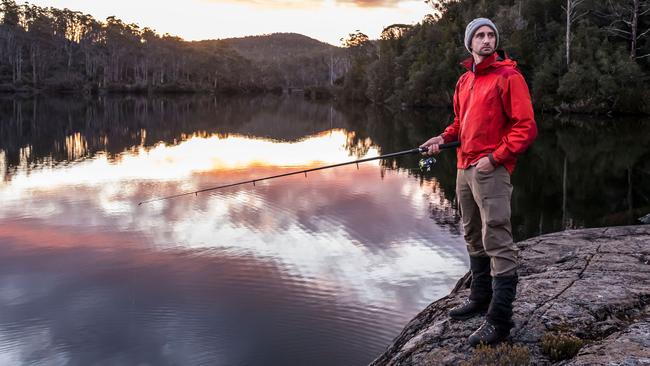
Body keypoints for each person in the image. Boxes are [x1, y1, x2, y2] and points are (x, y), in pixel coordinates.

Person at [420, 17, 537, 346]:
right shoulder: (464, 81)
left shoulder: (509, 77)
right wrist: (441, 139)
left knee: (497, 237)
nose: (486, 40)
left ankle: (499, 320)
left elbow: (525, 127)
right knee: (472, 234)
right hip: (463, 167)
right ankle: (480, 298)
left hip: (491, 170)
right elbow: (460, 123)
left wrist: (495, 157)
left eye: (490, 35)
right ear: (470, 44)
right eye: (479, 36)